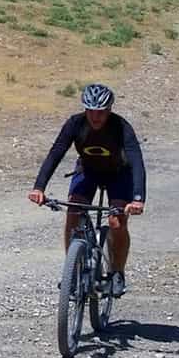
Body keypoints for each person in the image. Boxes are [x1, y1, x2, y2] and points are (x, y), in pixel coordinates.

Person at [27, 82, 146, 296]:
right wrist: (39, 187)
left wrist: (138, 199)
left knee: (116, 221)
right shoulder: (75, 123)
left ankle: (117, 273)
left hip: (119, 174)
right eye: (90, 111)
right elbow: (56, 152)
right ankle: (71, 270)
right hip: (88, 171)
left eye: (100, 112)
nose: (95, 117)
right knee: (73, 214)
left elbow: (137, 161)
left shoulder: (121, 127)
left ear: (109, 110)